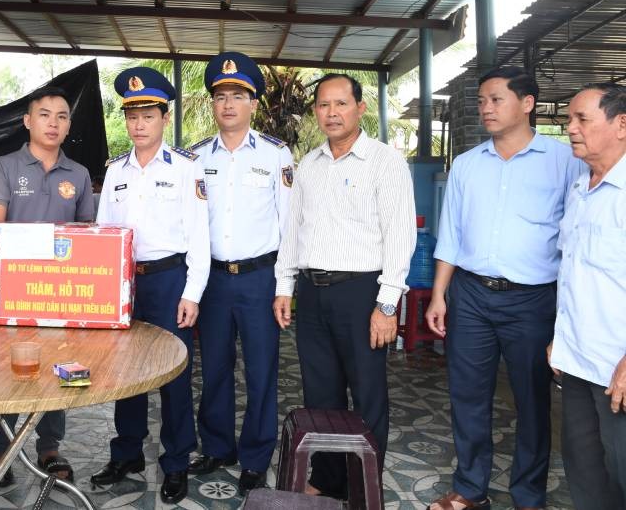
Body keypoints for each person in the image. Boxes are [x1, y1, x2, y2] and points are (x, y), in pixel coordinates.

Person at [424, 67, 583, 510]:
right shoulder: (467, 165)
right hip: (471, 295)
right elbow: (451, 234)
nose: (486, 109)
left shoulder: (565, 161)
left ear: (527, 103)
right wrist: (440, 294)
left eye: (496, 99)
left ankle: (528, 494)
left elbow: (575, 238)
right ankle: (470, 488)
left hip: (533, 299)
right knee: (467, 394)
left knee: (532, 400)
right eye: (482, 102)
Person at [273, 73, 415, 500]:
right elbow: (292, 230)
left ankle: (361, 486)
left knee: (367, 394)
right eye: (323, 105)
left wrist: (387, 304)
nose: (331, 113)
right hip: (313, 294)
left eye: (340, 104)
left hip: (362, 294)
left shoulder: (385, 161)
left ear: (360, 108)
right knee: (321, 394)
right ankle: (328, 478)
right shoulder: (309, 165)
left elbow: (400, 234)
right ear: (315, 111)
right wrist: (285, 286)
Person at [89, 67, 210, 503]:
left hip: (169, 281)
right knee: (127, 374)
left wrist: (192, 294)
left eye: (148, 115)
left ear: (164, 117)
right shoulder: (116, 171)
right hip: (125, 284)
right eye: (132, 116)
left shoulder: (185, 169)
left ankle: (176, 461)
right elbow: (103, 233)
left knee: (174, 375)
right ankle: (127, 453)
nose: (138, 124)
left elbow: (200, 236)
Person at [0, 86, 95, 482]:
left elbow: (87, 234)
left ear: (68, 126)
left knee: (60, 366)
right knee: (9, 368)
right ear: (28, 121)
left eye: (62, 116)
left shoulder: (78, 175)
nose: (53, 123)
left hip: (62, 291)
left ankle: (50, 448)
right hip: (13, 289)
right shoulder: (3, 167)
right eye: (44, 115)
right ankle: (1, 451)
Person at [187, 52, 293, 494]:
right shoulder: (194, 158)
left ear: (253, 103)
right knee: (213, 368)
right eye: (220, 96)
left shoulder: (275, 154)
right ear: (213, 105)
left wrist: (284, 286)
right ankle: (216, 446)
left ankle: (255, 456)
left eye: (238, 96)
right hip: (211, 280)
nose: (228, 104)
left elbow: (289, 226)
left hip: (259, 278)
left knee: (262, 370)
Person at [549, 83, 626, 510]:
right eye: (569, 119)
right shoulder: (581, 187)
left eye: (582, 119)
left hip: (618, 369)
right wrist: (560, 339)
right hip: (578, 361)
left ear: (621, 124)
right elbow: (575, 272)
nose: (571, 128)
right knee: (585, 471)